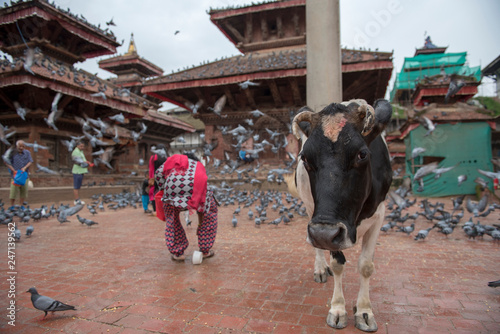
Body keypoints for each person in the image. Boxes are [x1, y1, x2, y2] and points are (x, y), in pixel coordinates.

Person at [155, 153, 218, 262]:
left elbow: (158, 173)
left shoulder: (172, 161)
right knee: (210, 212)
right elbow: (203, 181)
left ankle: (178, 253)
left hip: (172, 189)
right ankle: (205, 250)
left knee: (172, 218)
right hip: (197, 190)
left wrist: (164, 188)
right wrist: (200, 224)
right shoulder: (197, 165)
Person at [4, 140, 33, 210]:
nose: (21, 147)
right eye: (20, 146)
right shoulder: (12, 153)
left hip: (24, 175)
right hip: (15, 175)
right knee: (13, 192)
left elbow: (30, 161)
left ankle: (21, 205)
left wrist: (25, 167)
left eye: (23, 146)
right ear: (17, 146)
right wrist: (13, 170)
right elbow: (6, 162)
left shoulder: (27, 153)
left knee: (23, 192)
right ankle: (12, 205)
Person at [71, 141, 93, 205]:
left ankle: (77, 199)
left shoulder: (80, 151)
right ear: (77, 146)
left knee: (78, 186)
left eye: (83, 146)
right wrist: (85, 164)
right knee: (76, 186)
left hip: (80, 171)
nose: (82, 147)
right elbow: (77, 162)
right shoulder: (76, 152)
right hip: (77, 171)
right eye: (81, 146)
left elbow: (82, 160)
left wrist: (87, 162)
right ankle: (76, 200)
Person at [148, 144, 168, 212]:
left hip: (156, 177)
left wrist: (151, 178)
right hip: (164, 177)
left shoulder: (154, 157)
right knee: (164, 192)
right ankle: (164, 209)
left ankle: (155, 209)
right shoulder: (166, 157)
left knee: (155, 193)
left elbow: (151, 168)